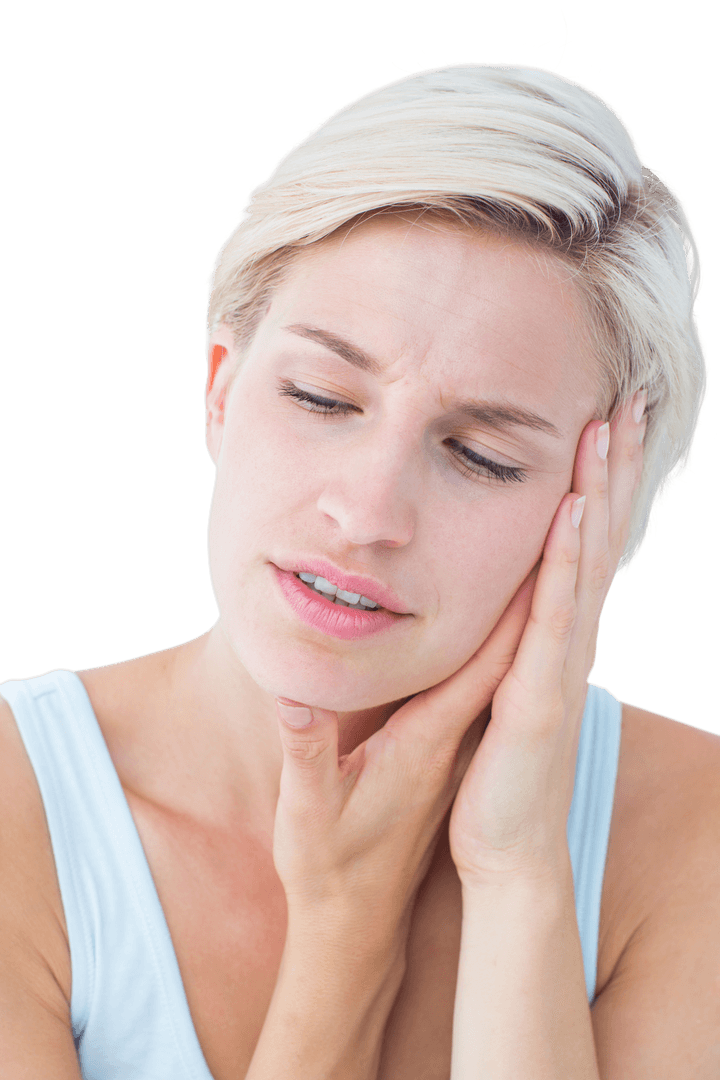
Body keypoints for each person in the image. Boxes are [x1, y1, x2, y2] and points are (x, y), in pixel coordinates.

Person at [0, 60, 716, 1079]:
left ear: (598, 507)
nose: (367, 516)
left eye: (482, 456)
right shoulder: (19, 804)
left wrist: (517, 870)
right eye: (323, 399)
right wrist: (344, 936)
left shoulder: (694, 830)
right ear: (220, 390)